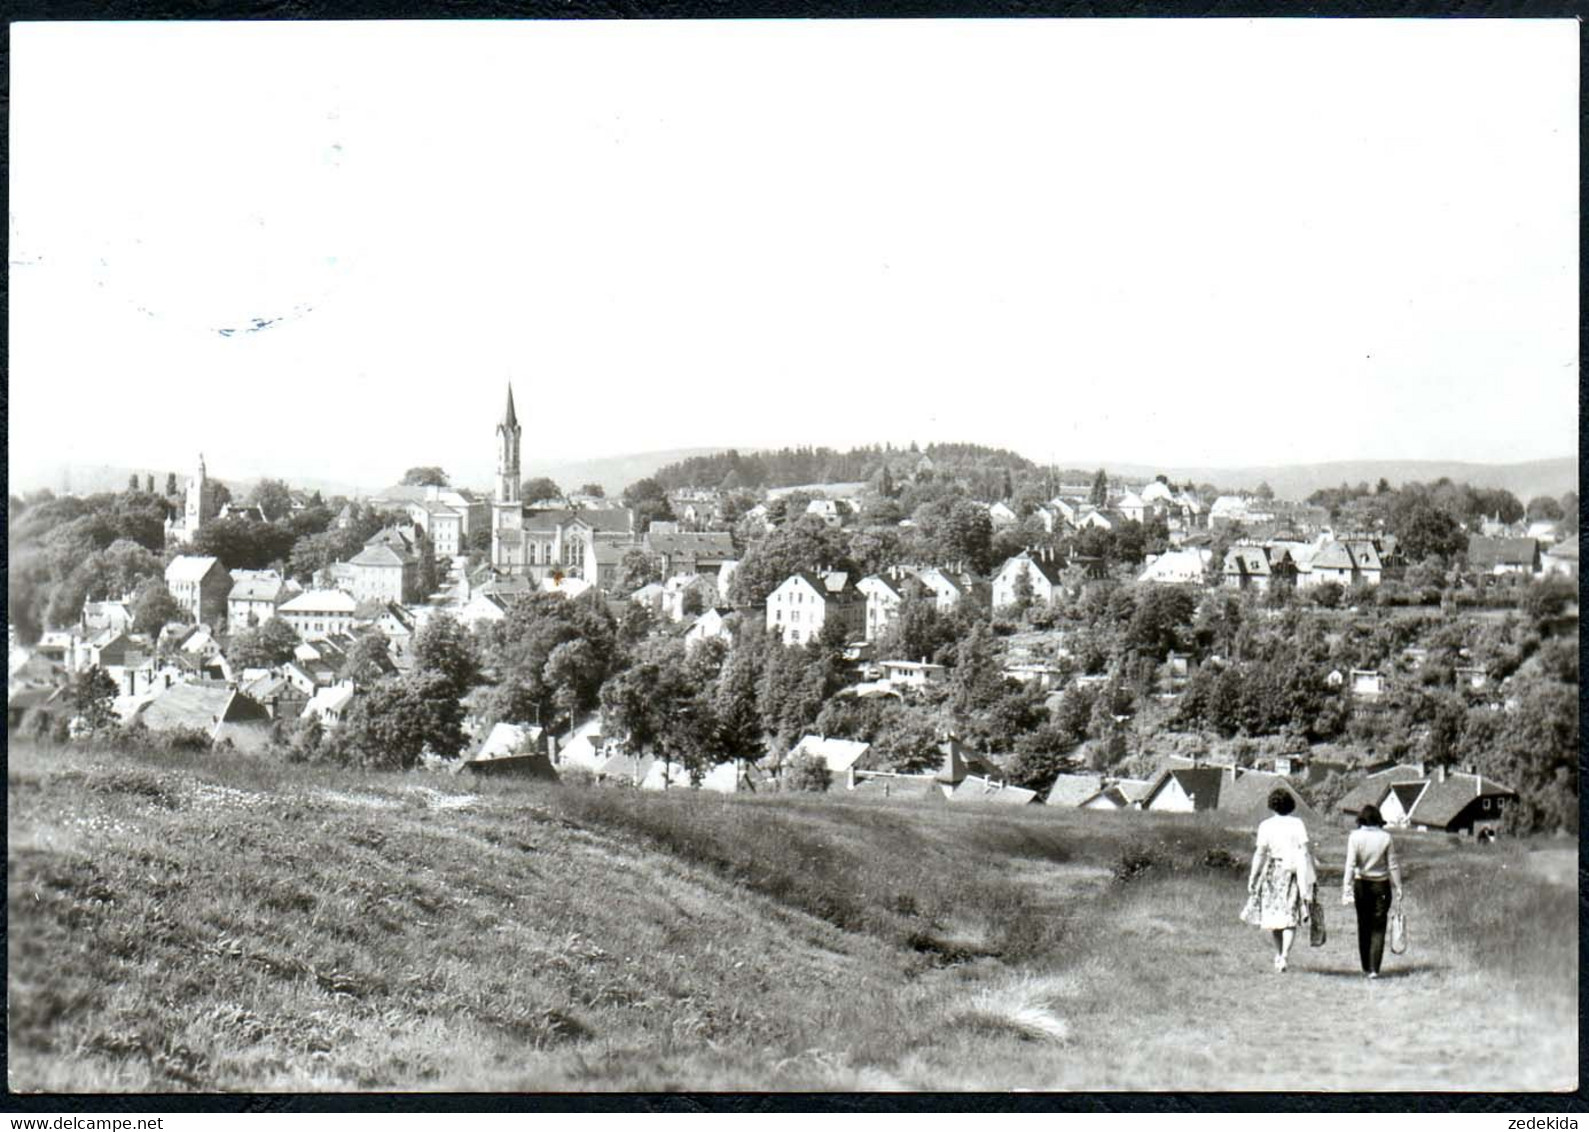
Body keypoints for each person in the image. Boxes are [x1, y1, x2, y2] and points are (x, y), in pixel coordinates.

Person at [1247, 788, 1317, 973]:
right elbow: (1305, 850)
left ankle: (1280, 954)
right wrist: (1311, 876)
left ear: (1272, 805)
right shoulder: (1297, 824)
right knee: (1290, 917)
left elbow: (1260, 853)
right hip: (1294, 872)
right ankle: (1284, 955)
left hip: (1273, 872)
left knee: (1274, 917)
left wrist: (1253, 876)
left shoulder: (1265, 826)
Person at [1342, 803, 1403, 979]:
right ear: (1378, 820)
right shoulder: (1386, 837)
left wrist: (1346, 885)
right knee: (1379, 926)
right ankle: (1375, 969)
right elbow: (1392, 864)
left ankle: (1365, 967)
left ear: (1361, 819)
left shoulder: (1355, 837)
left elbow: (1350, 864)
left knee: (1363, 925)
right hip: (1381, 885)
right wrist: (1398, 886)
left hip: (1361, 885)